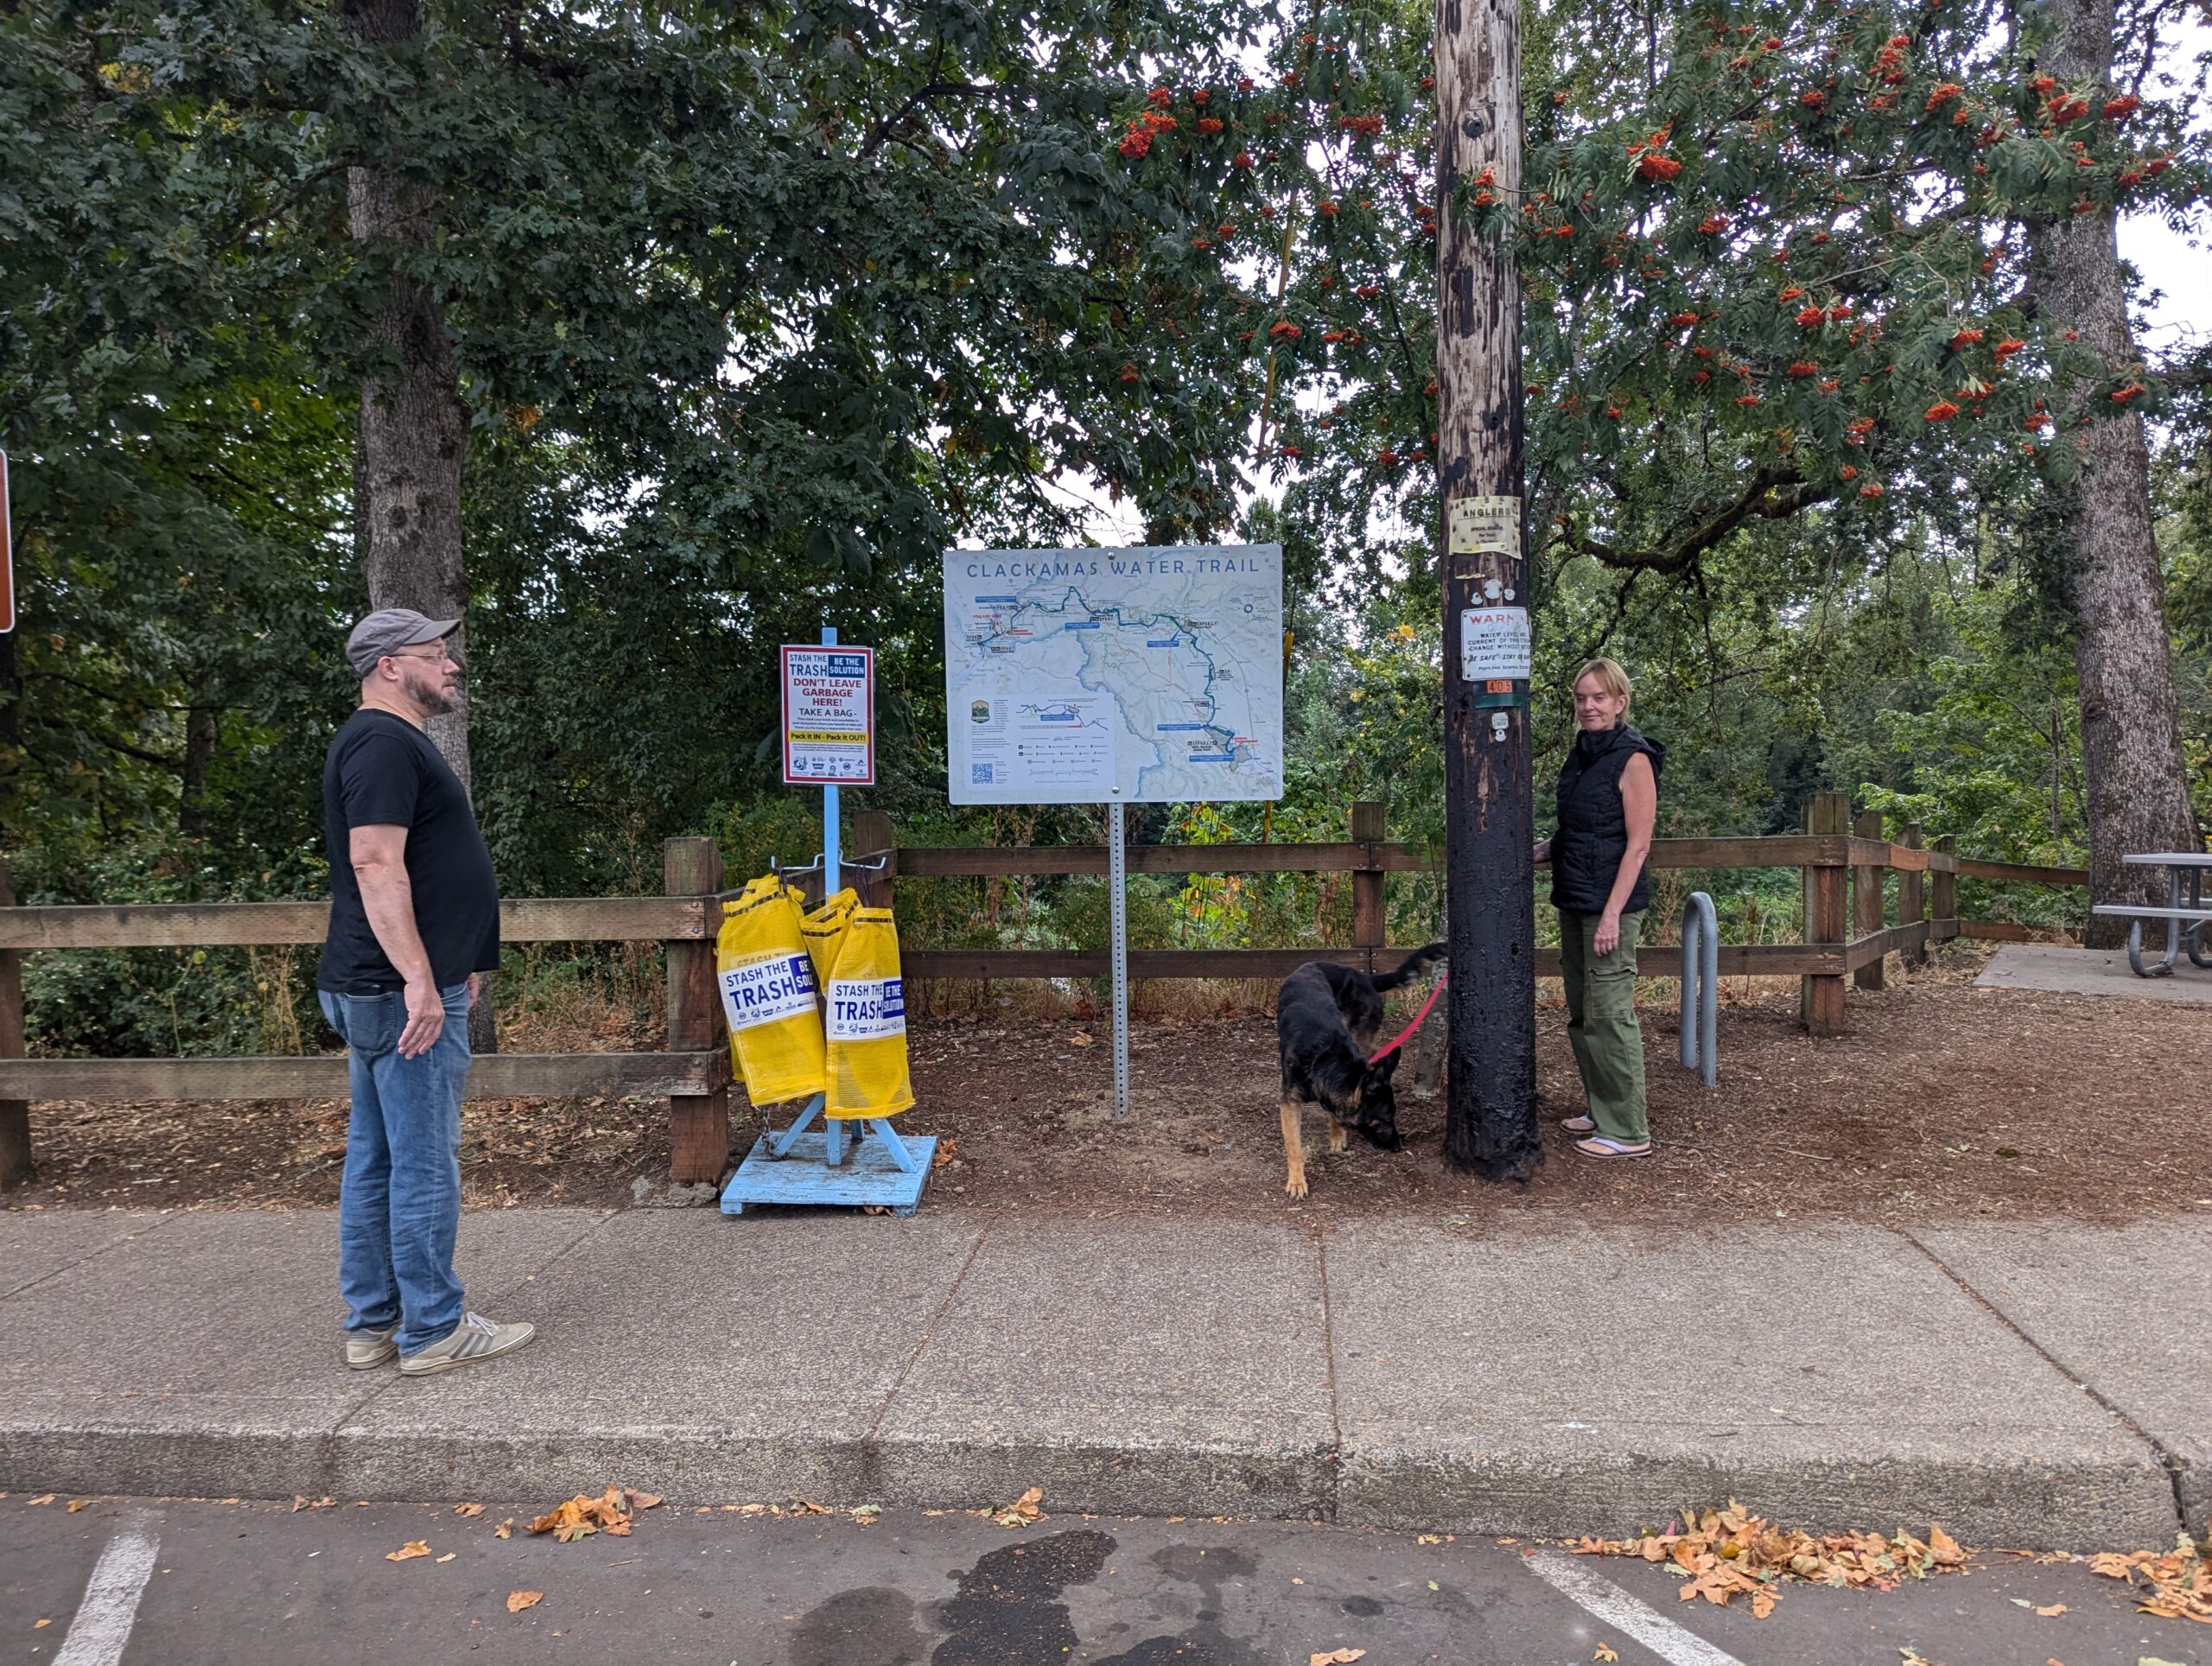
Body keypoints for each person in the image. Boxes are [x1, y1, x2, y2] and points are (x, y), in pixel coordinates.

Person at [316, 608, 533, 1376]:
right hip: (394, 991)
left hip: (385, 985)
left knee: (377, 1157)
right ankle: (434, 1327)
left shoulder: (390, 741)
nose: (452, 666)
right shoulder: (380, 741)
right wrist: (419, 980)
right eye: (435, 655)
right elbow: (376, 865)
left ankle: (374, 1323)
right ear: (387, 666)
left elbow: (426, 869)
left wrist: (453, 958)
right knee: (421, 1162)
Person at [1532, 657, 1666, 1158]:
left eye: (1599, 698)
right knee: (1582, 1013)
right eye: (1582, 698)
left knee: (1610, 1014)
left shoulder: (1634, 759)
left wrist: (1612, 915)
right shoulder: (1582, 754)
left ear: (1620, 702)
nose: (1589, 706)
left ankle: (1628, 1131)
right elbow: (1581, 827)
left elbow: (1637, 845)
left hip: (1612, 906)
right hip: (1574, 896)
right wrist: (1545, 850)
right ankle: (1601, 1107)